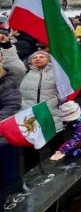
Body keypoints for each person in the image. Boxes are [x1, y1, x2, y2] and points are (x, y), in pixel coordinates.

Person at [0, 36, 24, 190]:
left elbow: (11, 107)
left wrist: (7, 46)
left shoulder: (9, 82)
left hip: (3, 139)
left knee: (8, 181)